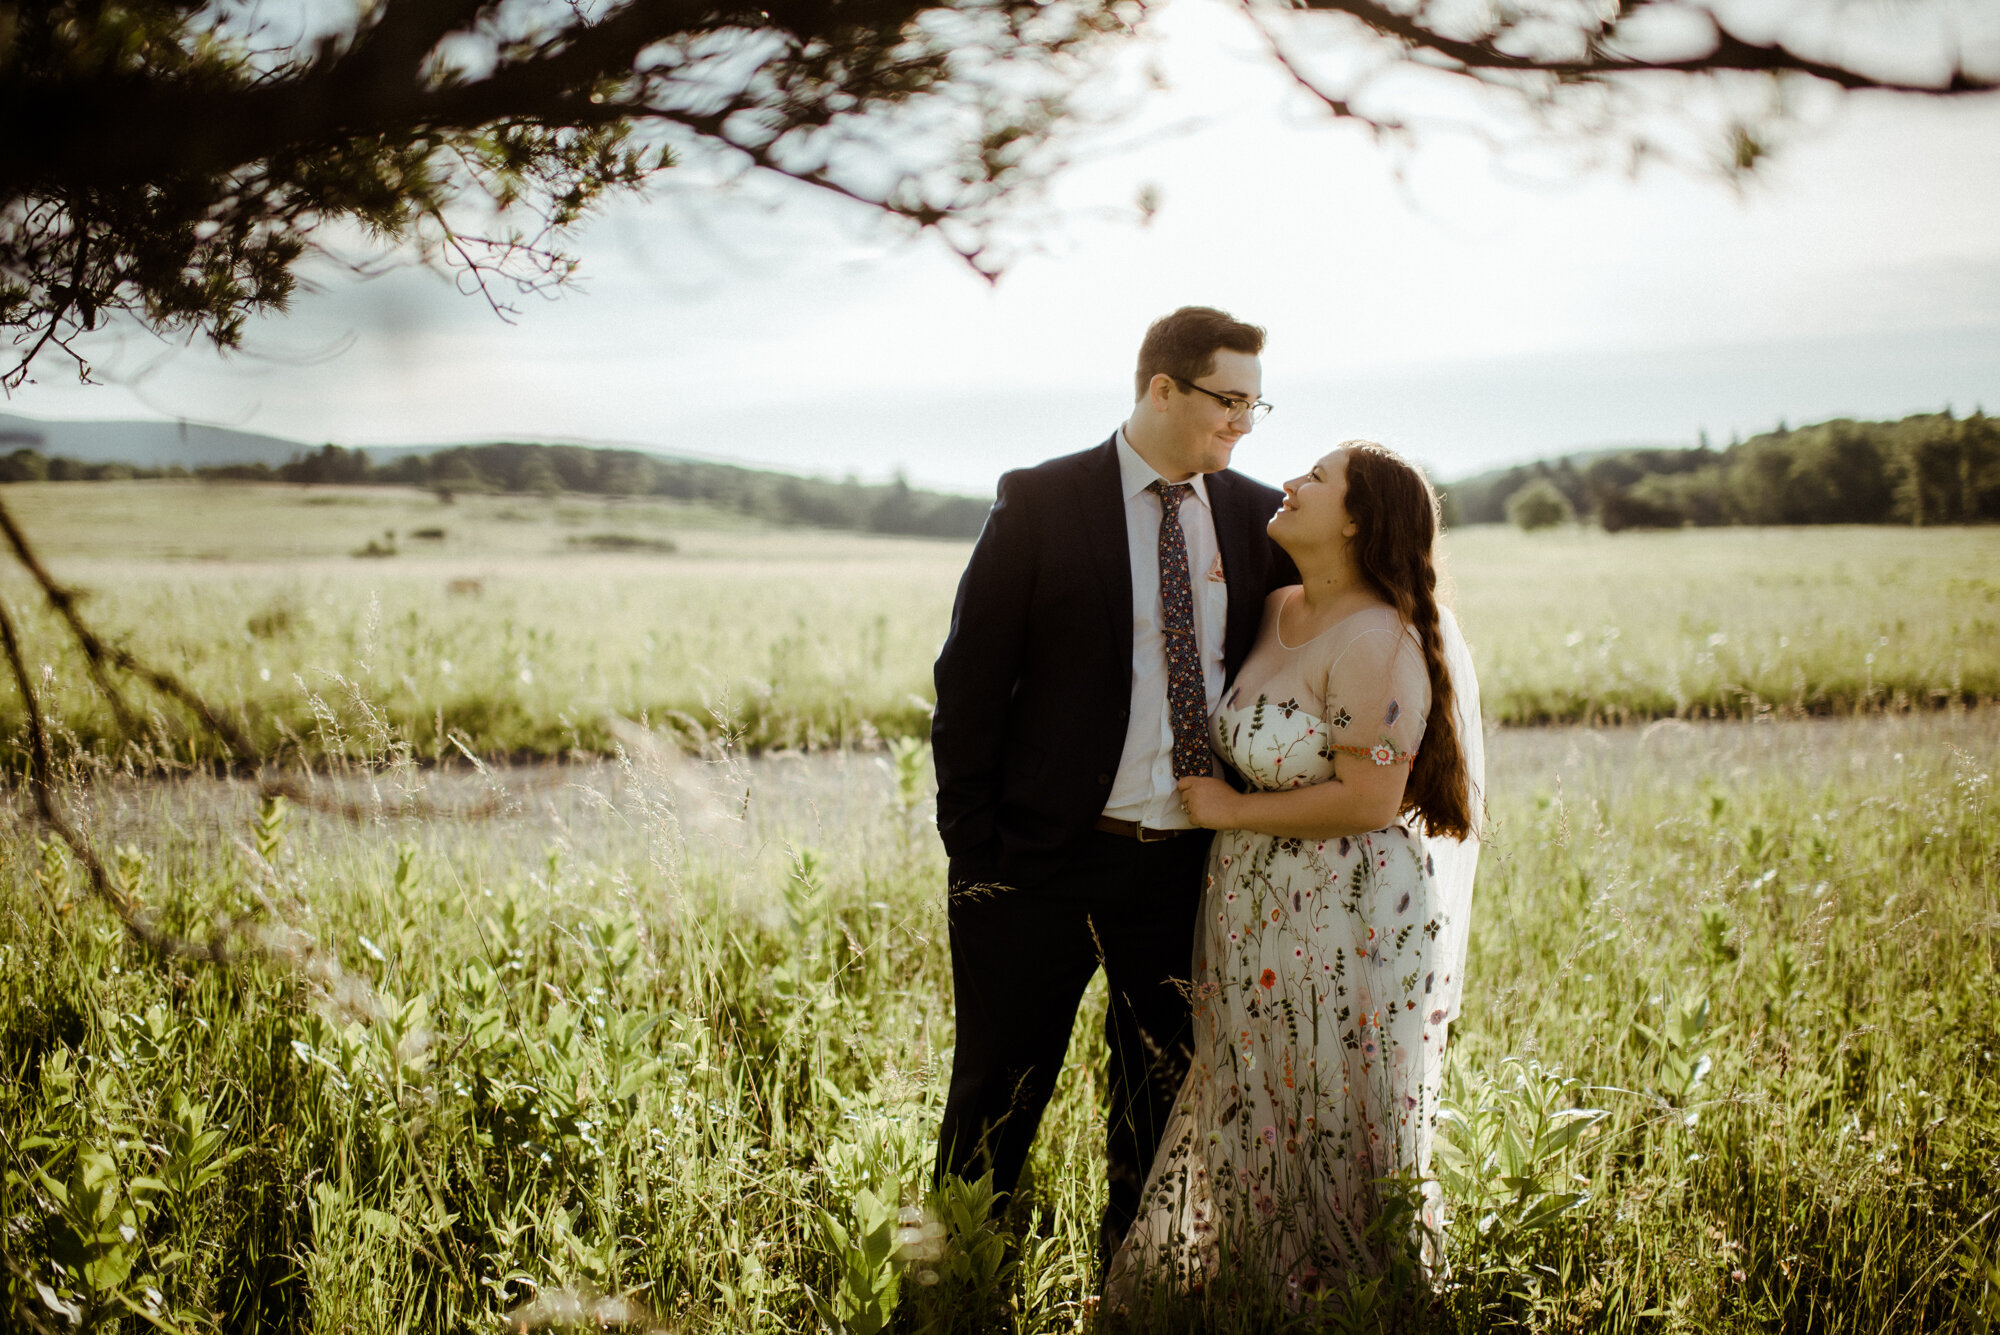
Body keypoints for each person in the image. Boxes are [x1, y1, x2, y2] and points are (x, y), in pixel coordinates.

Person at [930, 307, 1300, 1269]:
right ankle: (956, 1293)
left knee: (1157, 1106)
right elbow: (968, 682)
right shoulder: (1042, 500)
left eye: (1256, 404)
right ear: (1161, 388)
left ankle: (1127, 1294)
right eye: (1229, 400)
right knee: (993, 1101)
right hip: (1037, 864)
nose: (1244, 424)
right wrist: (976, 850)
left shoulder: (1259, 517)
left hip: (1181, 873)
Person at [1106, 440, 1485, 1311]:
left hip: (1348, 910)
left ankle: (1346, 1300)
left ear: (1355, 519)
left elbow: (1368, 798)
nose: (1290, 482)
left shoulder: (1379, 640)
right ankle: (1253, 1278)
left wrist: (1231, 812)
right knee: (1256, 1086)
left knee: (1332, 1095)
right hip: (1254, 904)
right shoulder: (1278, 605)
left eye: (1317, 478)